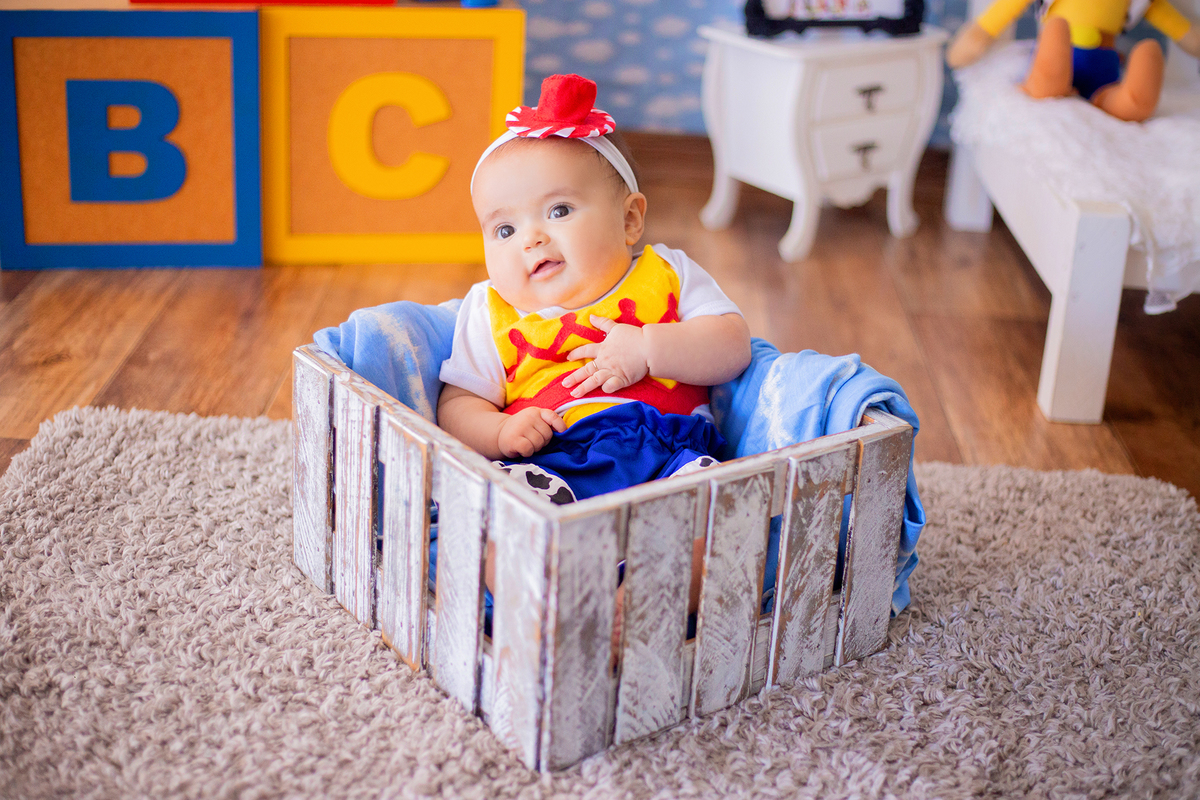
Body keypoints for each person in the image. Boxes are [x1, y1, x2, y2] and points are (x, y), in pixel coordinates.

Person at [437, 73, 752, 504]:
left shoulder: (667, 272)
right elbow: (457, 404)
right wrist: (500, 432)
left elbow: (733, 348)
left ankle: (671, 569)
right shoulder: (489, 310)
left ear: (629, 221)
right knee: (502, 518)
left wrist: (648, 348)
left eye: (559, 210)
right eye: (505, 229)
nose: (531, 239)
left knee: (711, 513)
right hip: (550, 461)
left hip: (671, 452)